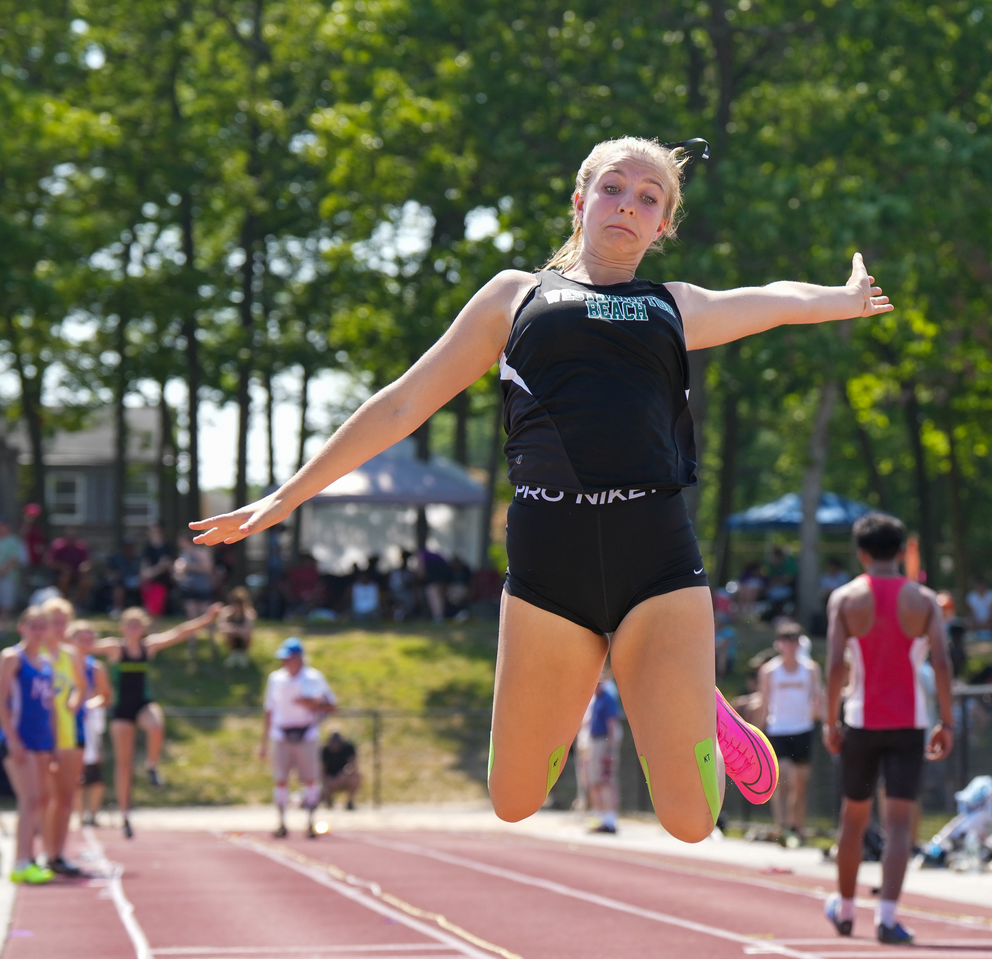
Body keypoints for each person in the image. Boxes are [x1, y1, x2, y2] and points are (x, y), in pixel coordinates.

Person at [190, 136, 897, 840]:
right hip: (548, 558)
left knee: (688, 820)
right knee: (515, 799)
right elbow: (405, 402)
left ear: (662, 226)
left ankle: (688, 702)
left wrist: (842, 298)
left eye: (649, 198)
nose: (628, 205)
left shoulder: (674, 307)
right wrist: (287, 496)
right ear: (581, 199)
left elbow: (773, 301)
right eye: (614, 187)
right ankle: (651, 680)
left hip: (654, 552)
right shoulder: (515, 296)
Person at [823, 513, 954, 943]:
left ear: (861, 553)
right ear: (901, 552)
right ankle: (887, 916)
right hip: (909, 721)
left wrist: (830, 720)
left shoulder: (844, 599)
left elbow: (834, 667)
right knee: (899, 823)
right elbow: (942, 663)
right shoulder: (924, 599)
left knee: (853, 818)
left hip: (860, 718)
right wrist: (946, 722)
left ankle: (844, 911)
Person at [92, 603, 223, 838]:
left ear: (143, 628)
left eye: (137, 625)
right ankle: (125, 815)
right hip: (121, 710)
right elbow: (84, 647)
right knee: (124, 765)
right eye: (129, 625)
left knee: (155, 725)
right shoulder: (114, 648)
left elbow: (180, 633)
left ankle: (151, 765)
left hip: (142, 703)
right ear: (123, 628)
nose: (133, 629)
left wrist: (207, 618)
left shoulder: (148, 647)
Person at [0, 606, 56, 883]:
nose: (38, 631)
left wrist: (52, 744)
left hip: (41, 740)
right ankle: (20, 862)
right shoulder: (11, 658)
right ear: (22, 627)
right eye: (33, 626)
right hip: (19, 739)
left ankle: (30, 857)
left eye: (43, 626)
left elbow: (48, 707)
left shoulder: (46, 662)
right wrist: (12, 739)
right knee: (28, 799)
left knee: (40, 799)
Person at [260, 637, 337, 838]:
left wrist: (309, 704)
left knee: (310, 779)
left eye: (289, 658)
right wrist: (263, 742)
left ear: (299, 658)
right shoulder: (275, 679)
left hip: (306, 734)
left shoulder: (314, 678)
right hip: (281, 734)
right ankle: (282, 822)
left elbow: (330, 706)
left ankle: (310, 821)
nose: (285, 662)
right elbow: (269, 710)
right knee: (281, 780)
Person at [760, 620, 824, 844]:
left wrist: (821, 716)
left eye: (795, 641)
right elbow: (764, 701)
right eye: (787, 641)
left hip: (802, 729)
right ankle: (782, 826)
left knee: (800, 782)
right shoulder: (769, 671)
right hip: (778, 729)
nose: (791, 646)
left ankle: (798, 827)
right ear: (780, 644)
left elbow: (819, 697)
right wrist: (755, 733)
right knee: (782, 778)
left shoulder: (810, 669)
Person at [41, 597, 86, 876]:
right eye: (54, 622)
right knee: (45, 797)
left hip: (67, 733)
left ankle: (58, 854)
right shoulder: (37, 654)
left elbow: (82, 687)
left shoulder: (70, 655)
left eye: (63, 622)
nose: (59, 627)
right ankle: (44, 852)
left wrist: (73, 704)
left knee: (66, 797)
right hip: (42, 733)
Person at [71, 620, 114, 827]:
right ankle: (78, 814)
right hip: (67, 725)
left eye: (90, 640)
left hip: (89, 725)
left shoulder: (95, 667)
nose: (86, 644)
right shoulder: (62, 664)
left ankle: (92, 814)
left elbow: (106, 696)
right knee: (74, 772)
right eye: (82, 640)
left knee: (94, 770)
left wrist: (88, 704)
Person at [582, 671, 624, 833]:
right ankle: (599, 818)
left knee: (606, 781)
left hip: (603, 743)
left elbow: (612, 725)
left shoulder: (607, 699)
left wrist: (610, 749)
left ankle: (609, 820)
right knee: (595, 782)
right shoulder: (596, 700)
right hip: (594, 743)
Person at [45, 527, 92, 604]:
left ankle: (77, 603)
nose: (71, 539)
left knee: (86, 580)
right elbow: (48, 561)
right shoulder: (57, 546)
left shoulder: (81, 547)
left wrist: (85, 566)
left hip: (77, 574)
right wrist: (61, 567)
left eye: (73, 537)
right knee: (65, 577)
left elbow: (88, 561)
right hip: (59, 574)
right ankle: (65, 601)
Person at [320, 728, 361, 810]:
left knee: (356, 777)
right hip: (330, 780)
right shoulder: (325, 750)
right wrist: (328, 780)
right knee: (319, 788)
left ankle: (350, 802)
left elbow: (353, 765)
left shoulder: (348, 748)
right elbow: (321, 770)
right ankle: (328, 800)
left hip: (344, 777)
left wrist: (343, 775)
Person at [139, 522, 174, 617]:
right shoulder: (147, 548)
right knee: (149, 611)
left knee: (156, 611)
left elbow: (170, 565)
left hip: (162, 584)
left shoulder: (167, 547)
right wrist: (160, 567)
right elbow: (144, 572)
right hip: (149, 584)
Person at [218, 586, 257, 668]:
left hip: (243, 638)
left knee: (247, 635)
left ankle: (242, 655)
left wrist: (234, 629)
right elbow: (221, 626)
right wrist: (236, 630)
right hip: (232, 637)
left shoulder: (249, 613)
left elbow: (248, 629)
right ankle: (234, 654)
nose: (237, 605)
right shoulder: (227, 612)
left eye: (239, 602)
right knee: (228, 634)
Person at [108, 537, 143, 614]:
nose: (129, 548)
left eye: (131, 546)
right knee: (118, 587)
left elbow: (143, 571)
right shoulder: (116, 559)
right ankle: (118, 609)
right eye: (127, 546)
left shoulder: (139, 559)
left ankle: (147, 609)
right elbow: (110, 573)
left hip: (138, 582)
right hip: (122, 582)